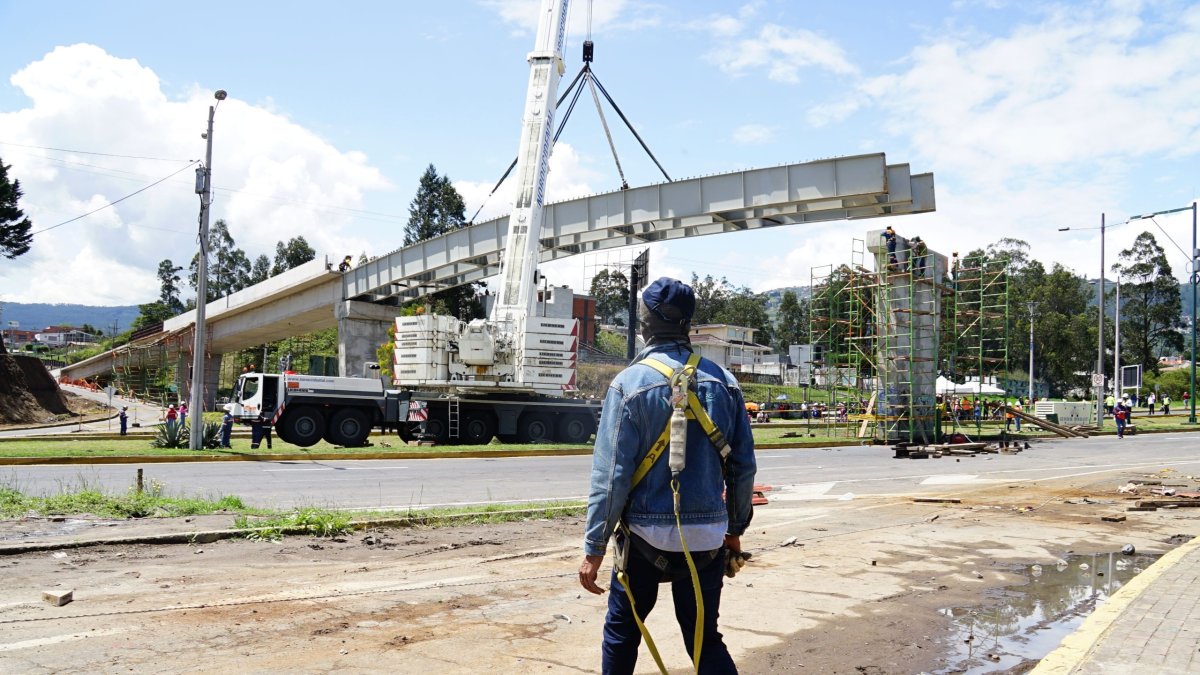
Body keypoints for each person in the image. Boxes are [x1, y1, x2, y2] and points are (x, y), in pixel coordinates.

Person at [579, 277, 756, 674]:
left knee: (623, 632)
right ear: (687, 322)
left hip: (644, 538)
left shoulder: (628, 384)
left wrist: (594, 548)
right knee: (704, 638)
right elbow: (743, 467)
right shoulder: (725, 383)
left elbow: (611, 478)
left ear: (645, 324)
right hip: (707, 539)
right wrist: (734, 529)